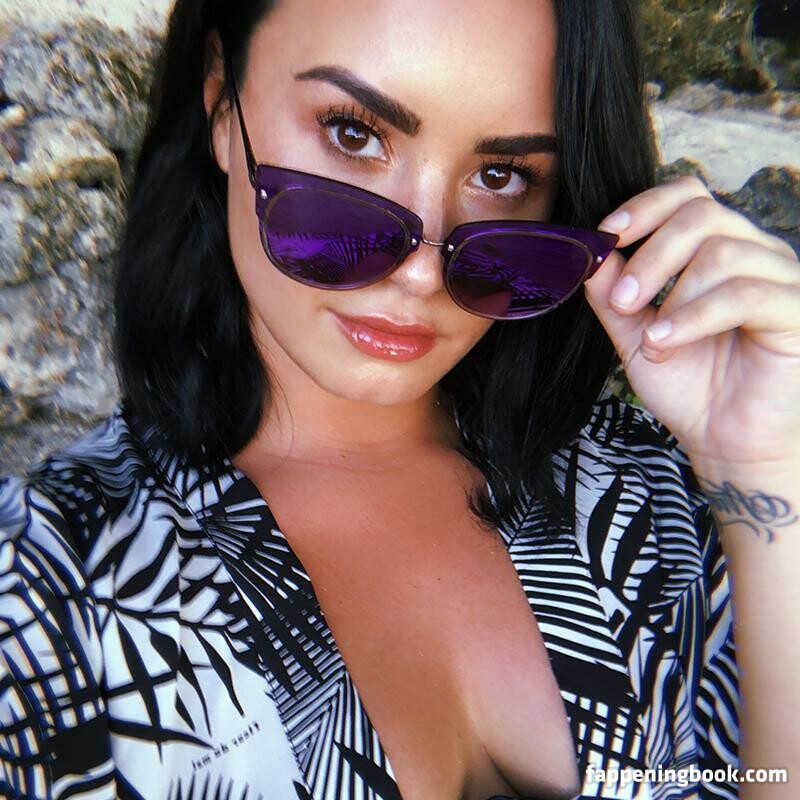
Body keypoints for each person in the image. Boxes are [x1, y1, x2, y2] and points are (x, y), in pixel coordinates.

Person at [1, 0, 798, 798]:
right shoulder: (49, 591)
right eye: (353, 134)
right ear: (220, 101)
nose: (420, 271)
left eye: (501, 176)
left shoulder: (655, 492)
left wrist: (761, 464)